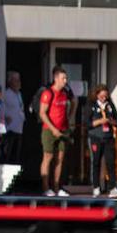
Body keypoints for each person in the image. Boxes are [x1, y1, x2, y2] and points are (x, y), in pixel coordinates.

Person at [38, 66, 71, 197]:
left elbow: (72, 103)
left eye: (66, 78)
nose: (65, 80)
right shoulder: (48, 93)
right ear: (56, 78)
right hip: (49, 130)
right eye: (63, 78)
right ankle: (46, 188)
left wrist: (70, 121)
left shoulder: (65, 93)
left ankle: (57, 187)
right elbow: (42, 113)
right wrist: (53, 129)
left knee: (60, 158)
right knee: (48, 157)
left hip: (63, 129)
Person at [87, 84, 117, 198]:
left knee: (110, 162)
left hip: (108, 137)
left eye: (105, 96)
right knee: (96, 161)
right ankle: (96, 187)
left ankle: (112, 187)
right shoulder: (91, 105)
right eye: (101, 96)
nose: (104, 98)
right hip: (95, 137)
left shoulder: (110, 105)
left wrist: (110, 121)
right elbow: (87, 123)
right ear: (97, 95)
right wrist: (100, 121)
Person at [0, 71, 25, 165]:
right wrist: (4, 117)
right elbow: (1, 107)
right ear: (10, 81)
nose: (18, 82)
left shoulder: (19, 94)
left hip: (19, 129)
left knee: (16, 156)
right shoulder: (6, 93)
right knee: (8, 155)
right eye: (16, 80)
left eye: (19, 80)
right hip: (10, 129)